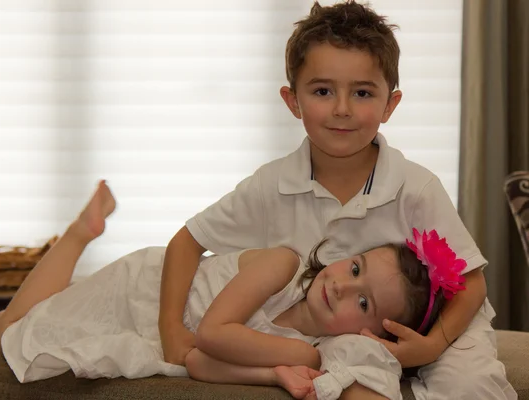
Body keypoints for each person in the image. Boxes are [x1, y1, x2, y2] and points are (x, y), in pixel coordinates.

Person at [158, 1, 517, 399]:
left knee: (470, 386)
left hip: (444, 325)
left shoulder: (416, 188)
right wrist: (171, 329)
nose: (342, 109)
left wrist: (432, 345)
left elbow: (470, 281)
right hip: (343, 332)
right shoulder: (270, 185)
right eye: (323, 91)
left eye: (362, 93)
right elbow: (187, 242)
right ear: (293, 101)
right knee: (344, 380)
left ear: (389, 105)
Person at [0, 181, 453, 400]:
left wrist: (271, 374)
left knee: (2, 327)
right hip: (147, 293)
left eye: (363, 303)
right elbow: (210, 333)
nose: (342, 287)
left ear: (368, 332)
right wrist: (289, 356)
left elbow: (200, 364)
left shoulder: (313, 352)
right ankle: (78, 235)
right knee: (19, 330)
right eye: (355, 268)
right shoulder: (282, 265)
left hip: (161, 335)